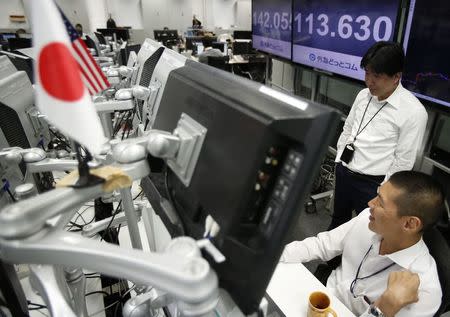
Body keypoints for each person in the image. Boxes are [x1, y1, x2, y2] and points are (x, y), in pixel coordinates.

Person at [281, 171, 445, 317]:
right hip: (322, 295)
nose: (370, 204)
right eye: (377, 195)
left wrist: (385, 307)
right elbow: (321, 245)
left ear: (410, 224)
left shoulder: (424, 291)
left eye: (380, 202)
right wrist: (271, 256)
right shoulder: (368, 218)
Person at [329, 41, 428, 230]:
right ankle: (331, 260)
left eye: (377, 76)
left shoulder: (413, 111)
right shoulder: (363, 95)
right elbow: (349, 128)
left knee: (369, 232)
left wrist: (383, 193)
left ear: (396, 77)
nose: (369, 81)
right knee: (338, 219)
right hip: (345, 171)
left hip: (372, 184)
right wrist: (339, 160)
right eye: (367, 73)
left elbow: (404, 161)